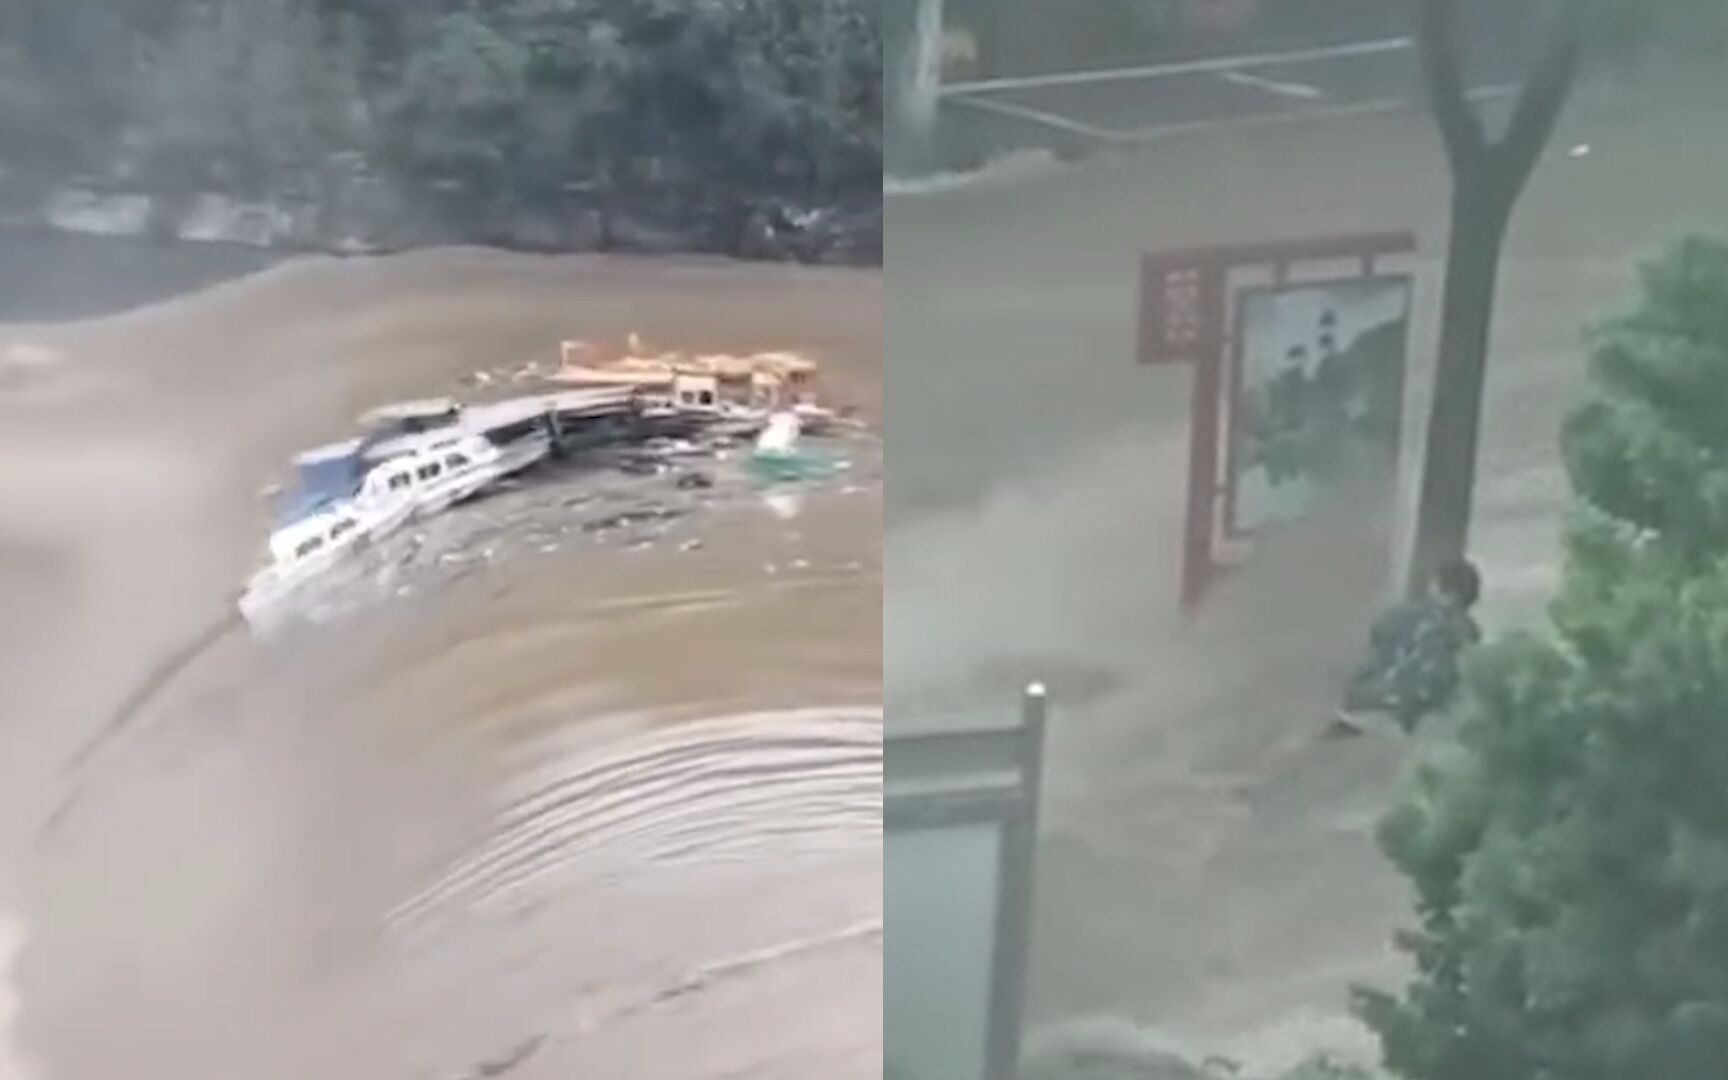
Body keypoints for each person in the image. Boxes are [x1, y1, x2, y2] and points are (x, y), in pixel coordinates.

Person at [1337, 557, 1483, 734]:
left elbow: (1373, 649)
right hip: (1404, 717)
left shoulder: (1395, 614)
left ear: (1436, 585)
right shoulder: (1467, 631)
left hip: (1360, 704)